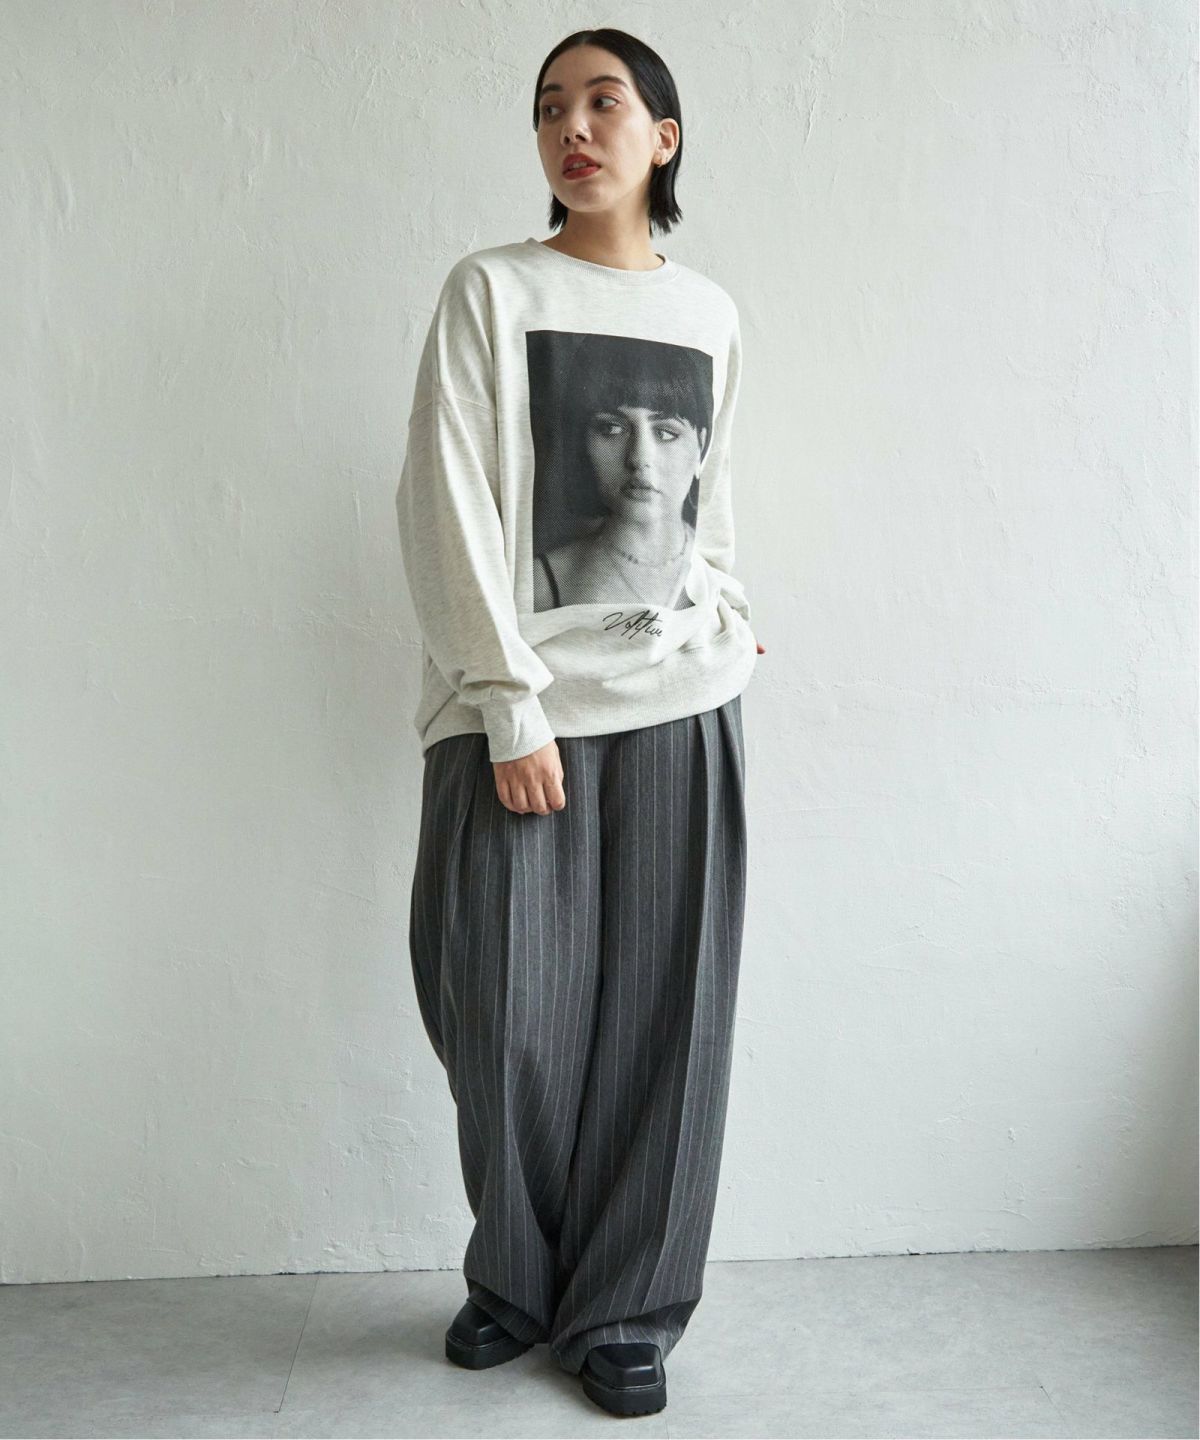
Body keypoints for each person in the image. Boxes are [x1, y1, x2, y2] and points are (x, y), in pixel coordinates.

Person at [395, 26, 765, 1419]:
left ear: (663, 137)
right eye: (552, 106)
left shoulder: (710, 313)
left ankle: (627, 1309)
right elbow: (444, 497)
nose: (575, 127)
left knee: (669, 1024)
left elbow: (711, 507)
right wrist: (505, 702)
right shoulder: (493, 290)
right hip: (522, 708)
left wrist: (729, 609)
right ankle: (519, 1280)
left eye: (606, 103)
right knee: (501, 1015)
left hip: (683, 704)